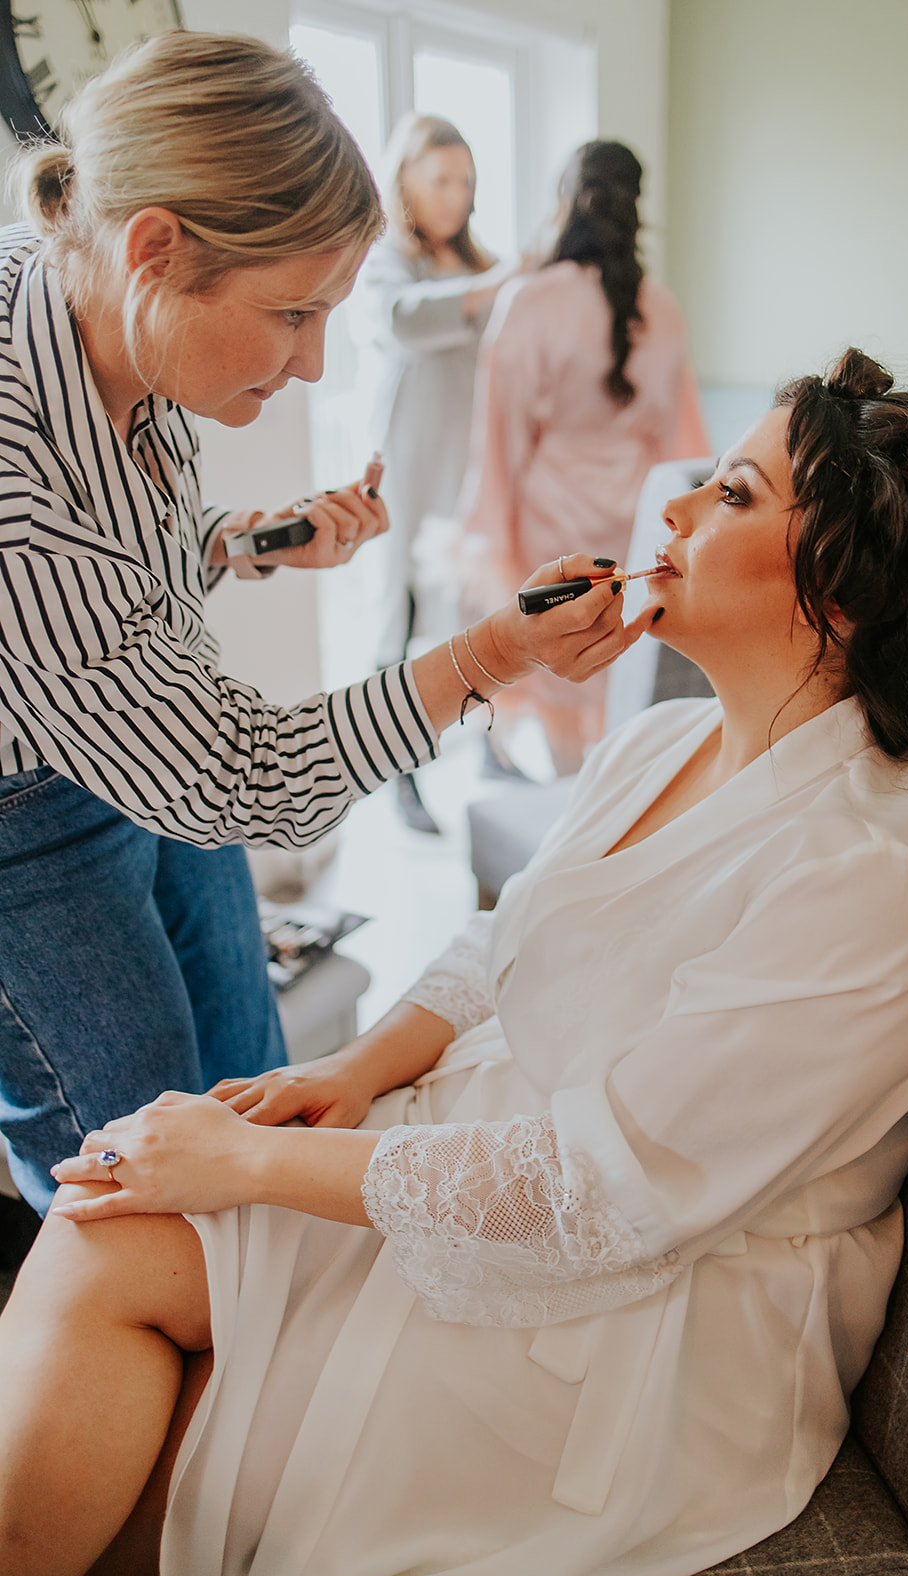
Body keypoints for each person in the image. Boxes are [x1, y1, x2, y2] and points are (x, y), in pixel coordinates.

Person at [0, 349, 908, 1576]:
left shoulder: (881, 884)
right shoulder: (661, 740)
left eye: (735, 496)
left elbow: (602, 1191)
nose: (678, 512)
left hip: (635, 1314)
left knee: (160, 1445)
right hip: (480, 1159)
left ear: (843, 594)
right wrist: (346, 1069)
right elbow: (505, 942)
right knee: (107, 1211)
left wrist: (254, 1163)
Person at [0, 33, 640, 1219]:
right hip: (21, 824)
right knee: (142, 1186)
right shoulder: (14, 484)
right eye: (293, 313)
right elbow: (246, 773)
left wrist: (251, 538)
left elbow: (125, 569)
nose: (312, 364)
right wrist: (490, 653)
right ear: (154, 251)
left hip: (148, 733)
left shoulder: (107, 313)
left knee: (248, 1086)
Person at [463, 139, 711, 776]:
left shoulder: (530, 301)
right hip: (632, 529)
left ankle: (570, 828)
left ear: (567, 203)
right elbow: (684, 445)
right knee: (623, 689)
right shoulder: (663, 306)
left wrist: (492, 542)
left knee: (562, 684)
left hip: (554, 531)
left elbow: (499, 441)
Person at [350, 113, 524, 831]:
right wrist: (494, 286)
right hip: (406, 462)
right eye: (440, 179)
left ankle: (488, 743)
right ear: (404, 182)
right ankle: (394, 773)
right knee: (403, 617)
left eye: (465, 182)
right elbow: (403, 322)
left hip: (470, 463)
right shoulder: (389, 259)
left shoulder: (481, 263)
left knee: (477, 605)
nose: (455, 196)